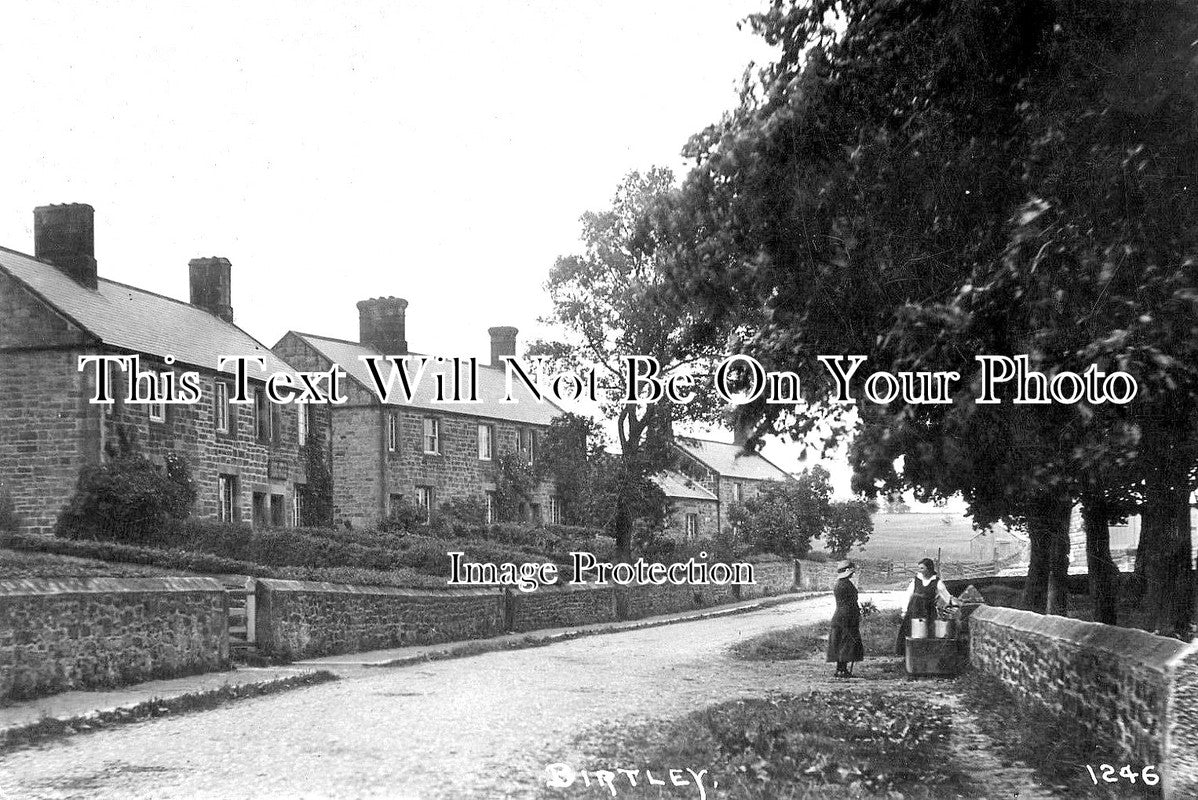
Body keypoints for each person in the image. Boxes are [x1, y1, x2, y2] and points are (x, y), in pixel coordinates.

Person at [895, 557, 959, 656]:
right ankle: (908, 656)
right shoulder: (916, 580)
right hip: (914, 610)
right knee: (910, 632)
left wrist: (954, 605)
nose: (920, 570)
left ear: (929, 569)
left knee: (927, 633)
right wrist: (904, 610)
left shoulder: (937, 582)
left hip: (928, 611)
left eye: (922, 568)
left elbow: (946, 596)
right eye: (919, 568)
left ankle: (924, 656)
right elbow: (908, 595)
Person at [827, 559, 864, 678]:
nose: (853, 574)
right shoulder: (845, 584)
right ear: (848, 571)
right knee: (846, 643)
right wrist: (856, 612)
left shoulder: (840, 583)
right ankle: (842, 670)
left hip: (841, 616)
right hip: (846, 617)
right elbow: (850, 602)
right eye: (852, 571)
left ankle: (841, 668)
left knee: (842, 642)